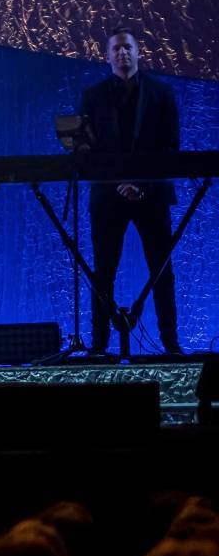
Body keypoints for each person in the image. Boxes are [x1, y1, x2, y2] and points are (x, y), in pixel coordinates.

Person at [78, 26, 182, 355]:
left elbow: (170, 148)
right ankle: (99, 346)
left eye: (128, 48)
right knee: (102, 272)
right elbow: (86, 150)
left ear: (138, 52)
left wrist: (141, 185)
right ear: (107, 56)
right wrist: (118, 183)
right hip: (109, 198)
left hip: (151, 197)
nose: (123, 53)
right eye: (117, 49)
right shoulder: (92, 97)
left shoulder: (161, 93)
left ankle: (170, 343)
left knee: (162, 271)